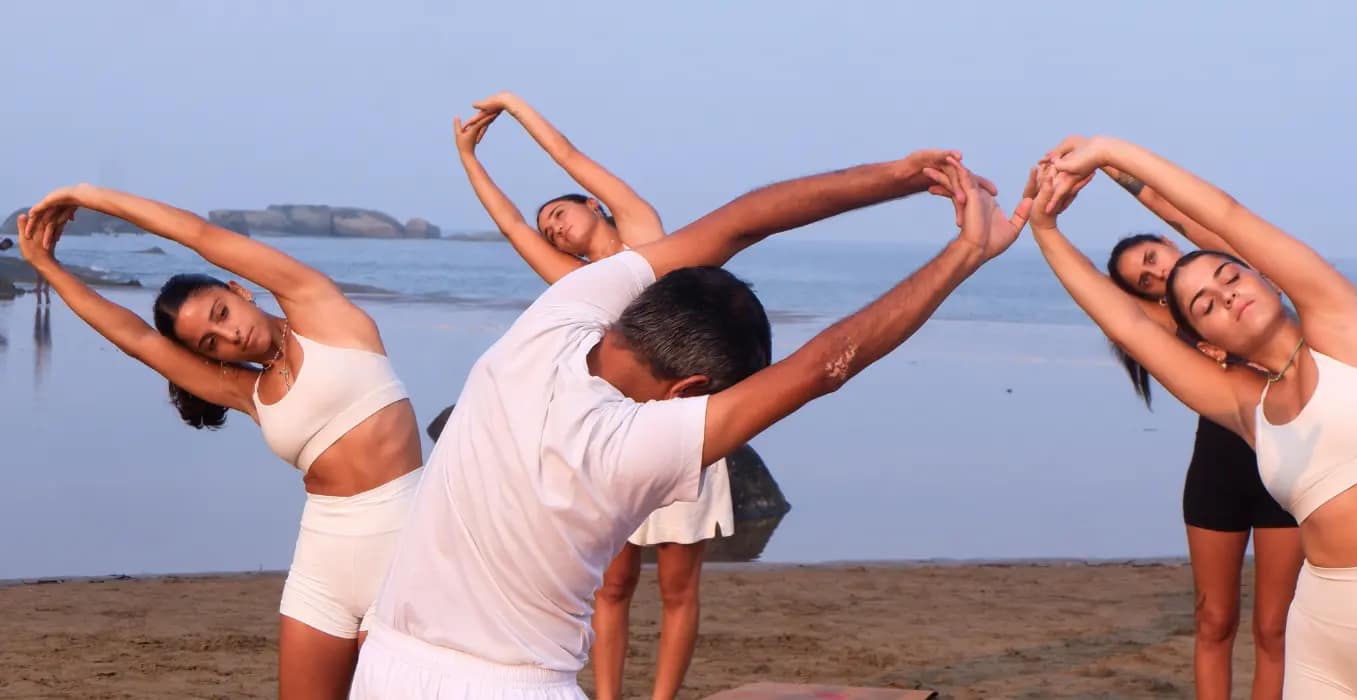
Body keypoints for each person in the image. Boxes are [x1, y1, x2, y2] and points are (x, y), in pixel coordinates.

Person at [351, 152, 1029, 699]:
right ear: (691, 390)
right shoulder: (632, 448)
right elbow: (826, 366)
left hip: (383, 663)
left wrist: (902, 176)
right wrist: (965, 253)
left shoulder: (547, 326)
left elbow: (737, 224)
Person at [1030, 135, 1357, 698]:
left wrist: (1109, 152)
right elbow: (1127, 326)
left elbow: (1225, 213)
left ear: (1266, 277)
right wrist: (1045, 231)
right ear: (1208, 346)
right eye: (1204, 306)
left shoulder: (1348, 330)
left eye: (1231, 277)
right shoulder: (1247, 411)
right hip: (1325, 651)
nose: (1225, 296)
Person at [18, 188, 427, 700]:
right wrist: (45, 265)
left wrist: (88, 195)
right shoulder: (249, 392)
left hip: (404, 548)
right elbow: (136, 339)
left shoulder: (321, 310)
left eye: (221, 312)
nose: (229, 336)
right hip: (322, 567)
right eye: (210, 342)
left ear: (240, 290)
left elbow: (199, 235)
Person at [453, 90, 732, 700]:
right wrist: (469, 158)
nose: (552, 227)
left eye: (559, 213)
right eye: (549, 229)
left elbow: (568, 153)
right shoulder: (580, 286)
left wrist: (511, 105)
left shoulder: (645, 235)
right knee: (612, 583)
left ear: (592, 205)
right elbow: (509, 226)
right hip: (615, 430)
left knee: (679, 585)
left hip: (684, 420)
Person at [1086, 152, 1303, 699]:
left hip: (1290, 470)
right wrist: (1046, 217)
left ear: (1169, 243)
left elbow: (1193, 215)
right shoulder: (1167, 323)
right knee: (1214, 620)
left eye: (1154, 257)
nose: (1157, 273)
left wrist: (1121, 173)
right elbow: (1102, 301)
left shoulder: (1237, 275)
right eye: (1146, 278)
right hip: (1219, 475)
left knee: (1276, 627)